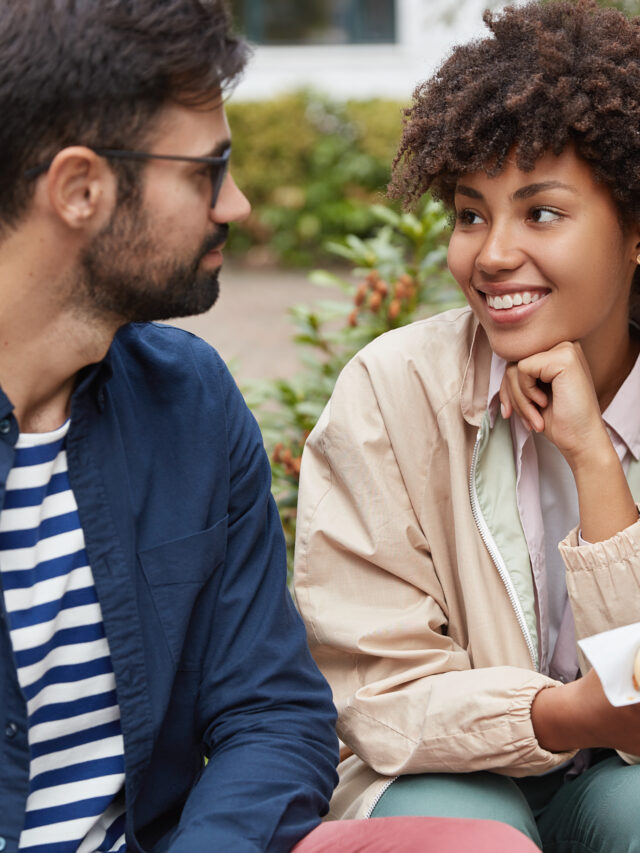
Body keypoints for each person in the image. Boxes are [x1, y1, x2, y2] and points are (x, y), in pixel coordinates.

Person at [0, 1, 544, 852]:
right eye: (206, 171)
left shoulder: (189, 402)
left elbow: (275, 712)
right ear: (80, 190)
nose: (239, 205)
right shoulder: (395, 388)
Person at [294, 0, 640, 849]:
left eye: (542, 213)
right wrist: (561, 714)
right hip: (443, 777)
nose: (490, 255)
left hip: (617, 788)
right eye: (470, 212)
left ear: (636, 231)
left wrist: (593, 456)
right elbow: (379, 691)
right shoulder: (390, 390)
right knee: (471, 827)